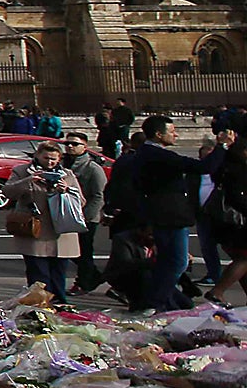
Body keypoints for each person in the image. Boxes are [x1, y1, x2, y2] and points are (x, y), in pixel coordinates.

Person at [110, 116, 235, 311]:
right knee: (176, 262)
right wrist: (222, 147)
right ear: (159, 134)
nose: (176, 134)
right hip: (169, 216)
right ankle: (154, 303)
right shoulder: (156, 154)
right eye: (172, 131)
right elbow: (202, 167)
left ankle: (162, 301)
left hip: (163, 215)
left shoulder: (147, 154)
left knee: (168, 261)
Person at [6, 144, 82, 305]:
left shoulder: (67, 175)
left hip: (60, 232)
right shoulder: (21, 171)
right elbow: (8, 192)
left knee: (58, 274)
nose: (49, 162)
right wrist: (28, 181)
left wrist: (67, 190)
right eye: (46, 158)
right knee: (38, 275)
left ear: (59, 159)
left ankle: (59, 305)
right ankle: (38, 307)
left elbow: (81, 202)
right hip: (35, 231)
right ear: (38, 156)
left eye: (53, 159)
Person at [203, 138, 247, 306]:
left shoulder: (224, 169)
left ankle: (219, 292)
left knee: (241, 261)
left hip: (225, 224)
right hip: (238, 224)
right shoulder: (238, 172)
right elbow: (237, 198)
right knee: (243, 259)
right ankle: (218, 291)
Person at [64, 133, 109, 293]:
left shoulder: (92, 168)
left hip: (86, 217)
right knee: (69, 251)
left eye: (75, 144)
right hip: (66, 215)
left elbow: (99, 195)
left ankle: (84, 282)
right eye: (67, 143)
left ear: (85, 147)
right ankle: (95, 276)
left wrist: (86, 217)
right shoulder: (63, 163)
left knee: (83, 252)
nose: (70, 146)